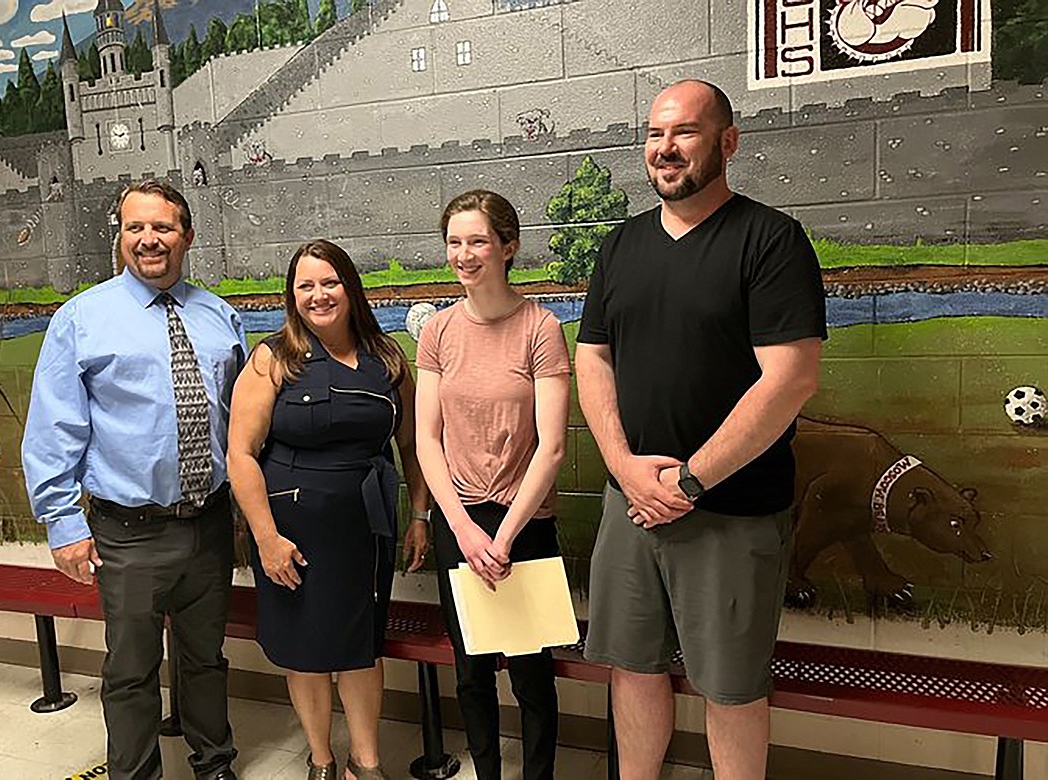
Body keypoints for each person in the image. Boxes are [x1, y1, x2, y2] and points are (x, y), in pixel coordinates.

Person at [575, 80, 827, 780]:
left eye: (684, 132)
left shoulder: (770, 241)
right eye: (656, 134)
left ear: (727, 142)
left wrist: (689, 480)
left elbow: (790, 379)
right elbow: (592, 356)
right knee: (632, 668)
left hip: (731, 513)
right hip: (629, 505)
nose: (665, 148)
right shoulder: (622, 245)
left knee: (731, 687)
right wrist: (624, 465)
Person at [22, 179, 246, 780]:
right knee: (131, 668)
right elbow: (53, 429)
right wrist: (64, 524)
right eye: (135, 228)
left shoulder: (220, 317)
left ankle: (214, 761)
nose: (149, 240)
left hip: (209, 522)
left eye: (163, 227)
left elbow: (241, 426)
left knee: (205, 659)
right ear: (119, 237)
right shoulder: (82, 320)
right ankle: (135, 773)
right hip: (128, 533)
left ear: (187, 236)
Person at [226, 239, 430, 780]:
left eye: (330, 282)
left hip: (366, 529)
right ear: (292, 297)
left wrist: (418, 514)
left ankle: (366, 764)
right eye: (306, 285)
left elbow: (412, 447)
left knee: (361, 645)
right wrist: (266, 539)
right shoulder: (274, 358)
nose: (319, 295)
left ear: (350, 287)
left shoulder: (387, 359)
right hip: (290, 533)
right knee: (306, 646)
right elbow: (241, 456)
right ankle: (320, 759)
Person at [415, 190, 570, 780]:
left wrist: (502, 538)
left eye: (477, 241)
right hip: (460, 522)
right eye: (454, 242)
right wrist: (461, 530)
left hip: (523, 523)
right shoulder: (438, 331)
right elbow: (428, 439)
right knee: (471, 670)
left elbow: (551, 447)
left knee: (532, 673)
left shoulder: (541, 329)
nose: (464, 254)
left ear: (508, 247)